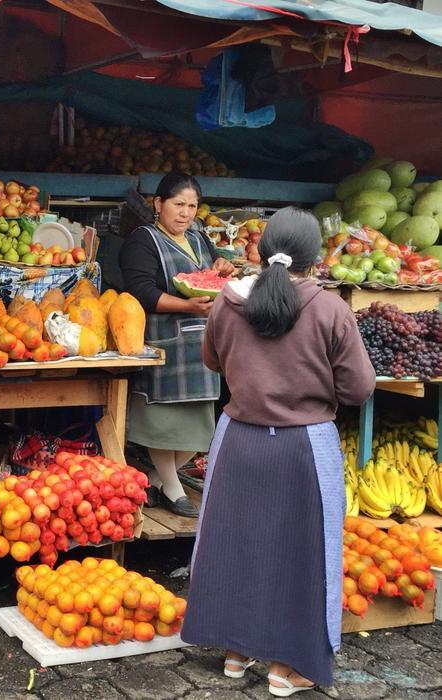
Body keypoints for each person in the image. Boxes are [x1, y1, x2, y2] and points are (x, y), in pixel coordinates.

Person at [181, 207, 376, 696]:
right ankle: (292, 665)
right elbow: (359, 389)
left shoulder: (228, 302)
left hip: (239, 440)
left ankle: (235, 652)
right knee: (307, 554)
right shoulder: (330, 309)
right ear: (314, 258)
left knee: (235, 544)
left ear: (264, 250)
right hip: (304, 446)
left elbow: (212, 360)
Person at [119, 173, 235, 517]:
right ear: (158, 205)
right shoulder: (143, 240)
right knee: (162, 423)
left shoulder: (199, 238)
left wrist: (222, 269)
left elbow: (211, 280)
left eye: (192, 206)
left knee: (198, 427)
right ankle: (172, 488)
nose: (185, 213)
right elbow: (140, 290)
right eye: (178, 204)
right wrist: (185, 305)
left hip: (202, 345)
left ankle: (155, 477)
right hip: (165, 343)